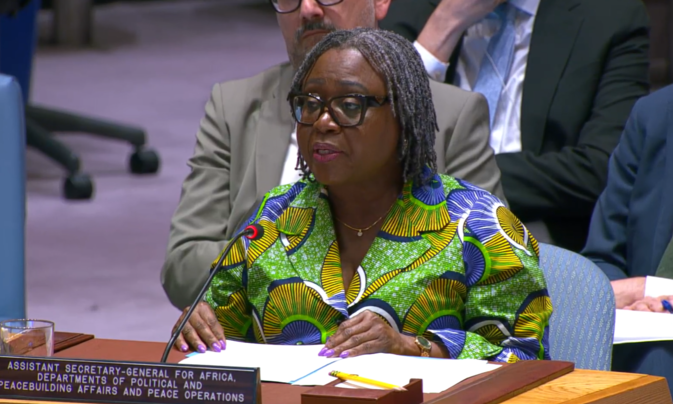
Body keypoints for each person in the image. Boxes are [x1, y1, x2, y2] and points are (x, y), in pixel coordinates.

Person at [172, 29, 552, 363]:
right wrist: (199, 326)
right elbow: (221, 333)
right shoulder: (275, 216)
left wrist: (411, 348)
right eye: (310, 104)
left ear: (404, 115)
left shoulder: (479, 225)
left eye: (350, 106)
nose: (323, 122)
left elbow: (524, 358)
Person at [161, 0, 506, 310]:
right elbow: (183, 271)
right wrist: (296, 268)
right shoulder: (234, 106)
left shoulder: (452, 115)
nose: (307, 8)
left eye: (351, 107)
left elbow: (492, 271)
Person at [380, 0, 650, 252]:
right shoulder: (410, 8)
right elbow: (379, 141)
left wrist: (461, 179)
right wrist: (444, 26)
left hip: (536, 229)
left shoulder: (610, 15)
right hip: (410, 219)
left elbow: (601, 166)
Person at [582, 86, 673, 392]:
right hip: (639, 336)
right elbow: (603, 255)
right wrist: (635, 298)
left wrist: (649, 291)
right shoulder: (656, 113)